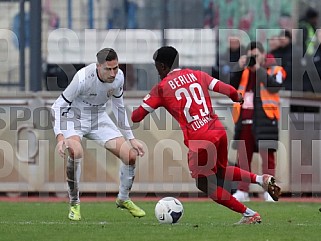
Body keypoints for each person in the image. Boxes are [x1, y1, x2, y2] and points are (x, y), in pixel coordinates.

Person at [131, 46, 281, 224]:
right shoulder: (197, 75)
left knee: (205, 184)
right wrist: (237, 97)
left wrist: (151, 98)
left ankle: (249, 214)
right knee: (221, 170)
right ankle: (260, 179)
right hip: (218, 130)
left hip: (199, 140)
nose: (157, 71)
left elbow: (136, 116)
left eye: (157, 67)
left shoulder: (161, 88)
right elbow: (227, 89)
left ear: (162, 66)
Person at [51, 48, 146, 221]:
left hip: (99, 119)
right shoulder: (82, 78)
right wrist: (60, 137)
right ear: (98, 66)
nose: (113, 73)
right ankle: (74, 203)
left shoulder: (119, 77)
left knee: (130, 155)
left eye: (115, 68)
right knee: (76, 152)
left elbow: (118, 107)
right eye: (108, 69)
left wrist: (131, 138)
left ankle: (123, 199)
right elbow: (57, 107)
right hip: (75, 119)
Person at [230, 42, 285, 202]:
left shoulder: (275, 69)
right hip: (244, 118)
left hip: (265, 119)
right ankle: (242, 190)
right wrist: (239, 67)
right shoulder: (244, 71)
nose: (253, 59)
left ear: (263, 54)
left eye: (256, 55)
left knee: (267, 157)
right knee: (243, 157)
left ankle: (269, 190)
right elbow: (232, 85)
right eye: (251, 56)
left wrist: (258, 68)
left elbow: (274, 86)